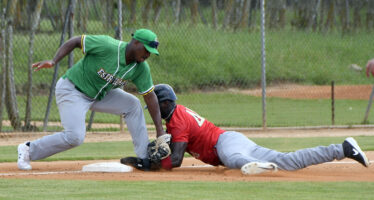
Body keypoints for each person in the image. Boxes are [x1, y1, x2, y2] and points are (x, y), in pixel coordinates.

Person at [121, 84, 370, 175]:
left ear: (165, 103)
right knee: (287, 161)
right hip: (232, 140)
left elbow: (175, 160)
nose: (153, 110)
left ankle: (249, 165)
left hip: (225, 144)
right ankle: (342, 148)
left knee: (232, 160)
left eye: (155, 105)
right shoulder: (177, 115)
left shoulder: (176, 121)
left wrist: (149, 165)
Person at [17, 29, 170, 170]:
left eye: (151, 52)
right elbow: (76, 41)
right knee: (75, 137)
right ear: (136, 42)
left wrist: (160, 131)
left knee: (133, 105)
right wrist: (54, 61)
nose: (148, 55)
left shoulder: (141, 68)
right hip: (72, 90)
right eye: (146, 50)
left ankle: (144, 159)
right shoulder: (108, 46)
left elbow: (150, 96)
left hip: (99, 95)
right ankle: (28, 149)